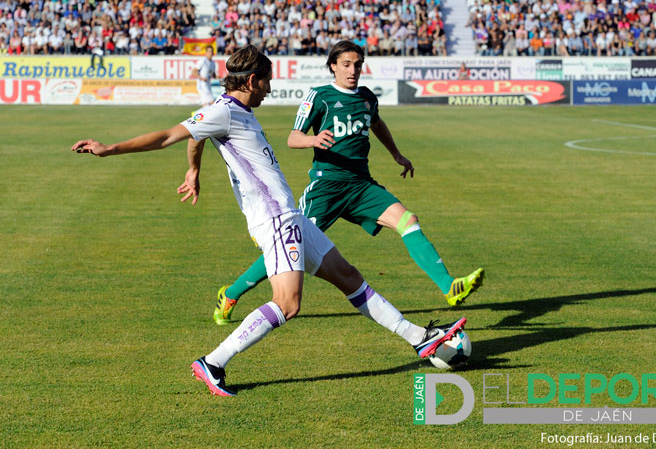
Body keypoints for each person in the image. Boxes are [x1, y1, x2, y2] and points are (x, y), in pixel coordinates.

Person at [71, 45, 467, 397]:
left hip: (292, 216)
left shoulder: (230, 111)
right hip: (275, 219)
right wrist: (108, 150)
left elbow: (195, 136)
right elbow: (168, 136)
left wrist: (193, 172)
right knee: (288, 303)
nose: (271, 90)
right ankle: (213, 362)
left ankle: (420, 339)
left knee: (350, 278)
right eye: (268, 83)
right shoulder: (224, 110)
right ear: (253, 79)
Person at [213, 41, 484, 327]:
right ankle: (231, 293)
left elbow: (376, 123)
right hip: (326, 187)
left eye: (357, 64)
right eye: (346, 64)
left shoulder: (367, 98)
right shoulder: (321, 96)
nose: (352, 70)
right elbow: (293, 138)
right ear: (333, 66)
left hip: (360, 186)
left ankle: (449, 287)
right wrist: (313, 140)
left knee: (408, 220)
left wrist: (396, 154)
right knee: (290, 245)